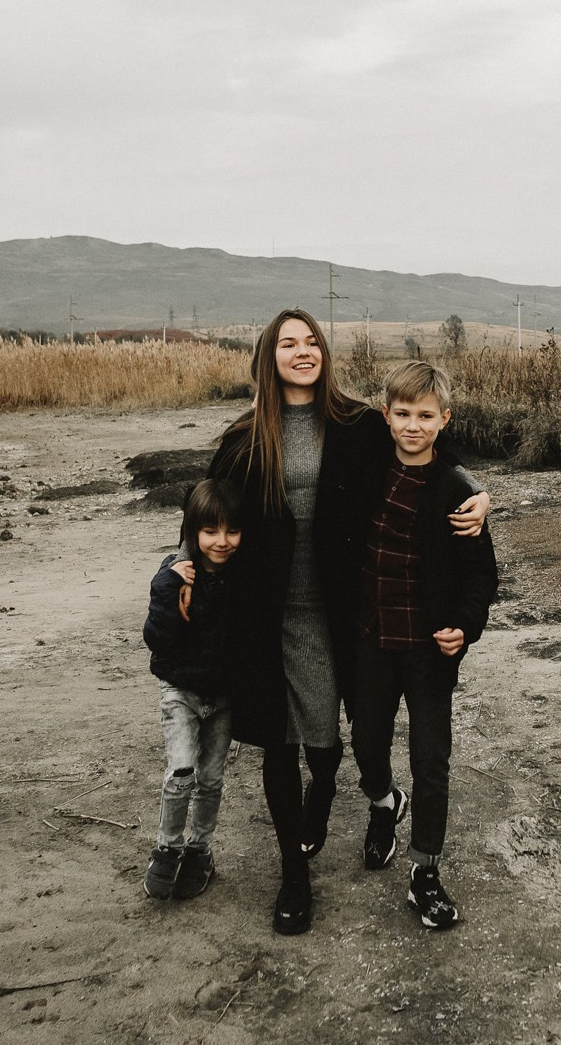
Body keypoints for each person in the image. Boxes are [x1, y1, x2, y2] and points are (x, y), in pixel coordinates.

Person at [206, 309, 489, 935]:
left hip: (338, 611)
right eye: (288, 343)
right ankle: (293, 872)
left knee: (334, 737)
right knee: (279, 739)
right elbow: (207, 513)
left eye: (311, 341)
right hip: (266, 610)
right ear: (268, 355)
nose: (302, 351)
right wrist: (183, 567)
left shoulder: (356, 422)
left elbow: (423, 441)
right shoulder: (245, 436)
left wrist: (476, 489)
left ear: (324, 353)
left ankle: (343, 798)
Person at [347, 360, 498, 929]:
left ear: (444, 420)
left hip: (428, 649)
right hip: (371, 640)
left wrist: (466, 624)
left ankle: (425, 871)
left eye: (426, 416)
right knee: (366, 742)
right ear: (386, 416)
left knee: (431, 759)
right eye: (404, 413)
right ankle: (385, 804)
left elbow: (481, 576)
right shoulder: (367, 472)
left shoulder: (457, 492)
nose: (413, 425)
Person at [141, 479, 244, 900]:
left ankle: (200, 850)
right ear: (192, 532)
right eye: (210, 531)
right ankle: (167, 848)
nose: (221, 541)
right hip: (181, 691)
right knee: (181, 770)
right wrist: (168, 587)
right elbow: (156, 638)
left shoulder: (242, 577)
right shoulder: (173, 573)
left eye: (232, 531)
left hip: (222, 697)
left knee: (212, 779)